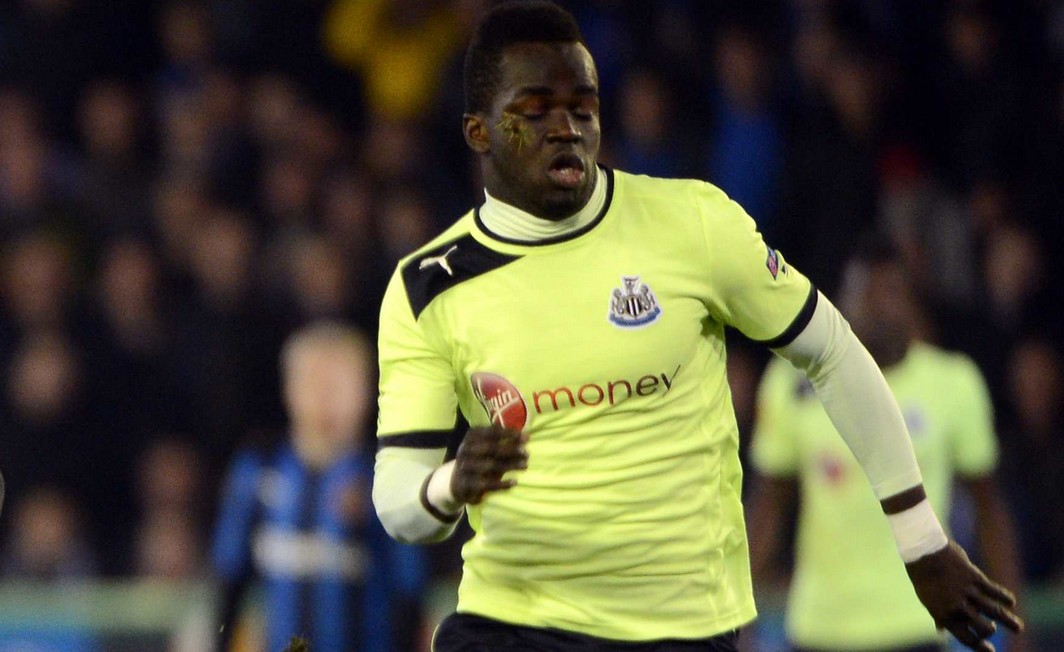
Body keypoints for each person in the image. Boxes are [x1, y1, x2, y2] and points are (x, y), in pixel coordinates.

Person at [372, 3, 1022, 651]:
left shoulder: (692, 224)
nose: (567, 128)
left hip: (681, 629)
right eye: (535, 110)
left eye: (584, 106)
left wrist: (920, 539)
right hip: (513, 622)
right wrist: (450, 483)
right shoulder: (429, 285)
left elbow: (834, 352)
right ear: (478, 132)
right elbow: (400, 502)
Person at [746, 241, 1026, 652]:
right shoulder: (790, 383)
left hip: (916, 623)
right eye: (865, 292)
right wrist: (742, 614)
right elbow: (768, 506)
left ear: (913, 303)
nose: (877, 307)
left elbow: (989, 509)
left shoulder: (953, 383)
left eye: (891, 291)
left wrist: (1020, 628)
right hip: (818, 627)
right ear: (841, 302)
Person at [212, 322, 425, 652]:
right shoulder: (257, 469)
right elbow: (227, 583)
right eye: (313, 380)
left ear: (367, 390)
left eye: (339, 382)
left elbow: (410, 593)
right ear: (288, 387)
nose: (325, 396)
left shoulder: (389, 479)